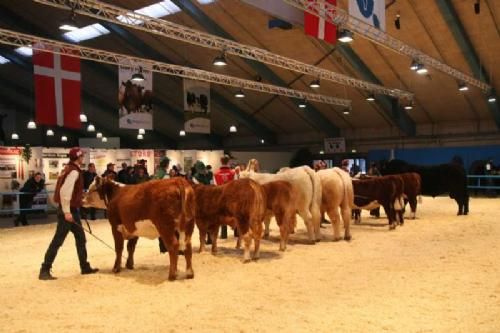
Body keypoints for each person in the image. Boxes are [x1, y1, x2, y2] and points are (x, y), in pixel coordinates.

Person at [39, 147, 98, 280]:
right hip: (68, 211)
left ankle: (84, 266)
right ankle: (45, 269)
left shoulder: (68, 168)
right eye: (82, 156)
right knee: (58, 240)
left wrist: (79, 200)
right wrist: (67, 211)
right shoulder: (74, 172)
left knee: (81, 238)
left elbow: (67, 191)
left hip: (71, 209)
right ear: (78, 157)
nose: (83, 158)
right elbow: (65, 192)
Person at [214, 155, 236, 239]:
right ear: (228, 161)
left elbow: (215, 186)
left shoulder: (216, 174)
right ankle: (236, 233)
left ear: (221, 161)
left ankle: (224, 234)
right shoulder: (233, 173)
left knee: (222, 214)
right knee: (235, 214)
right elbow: (236, 185)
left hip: (220, 197)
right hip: (232, 197)